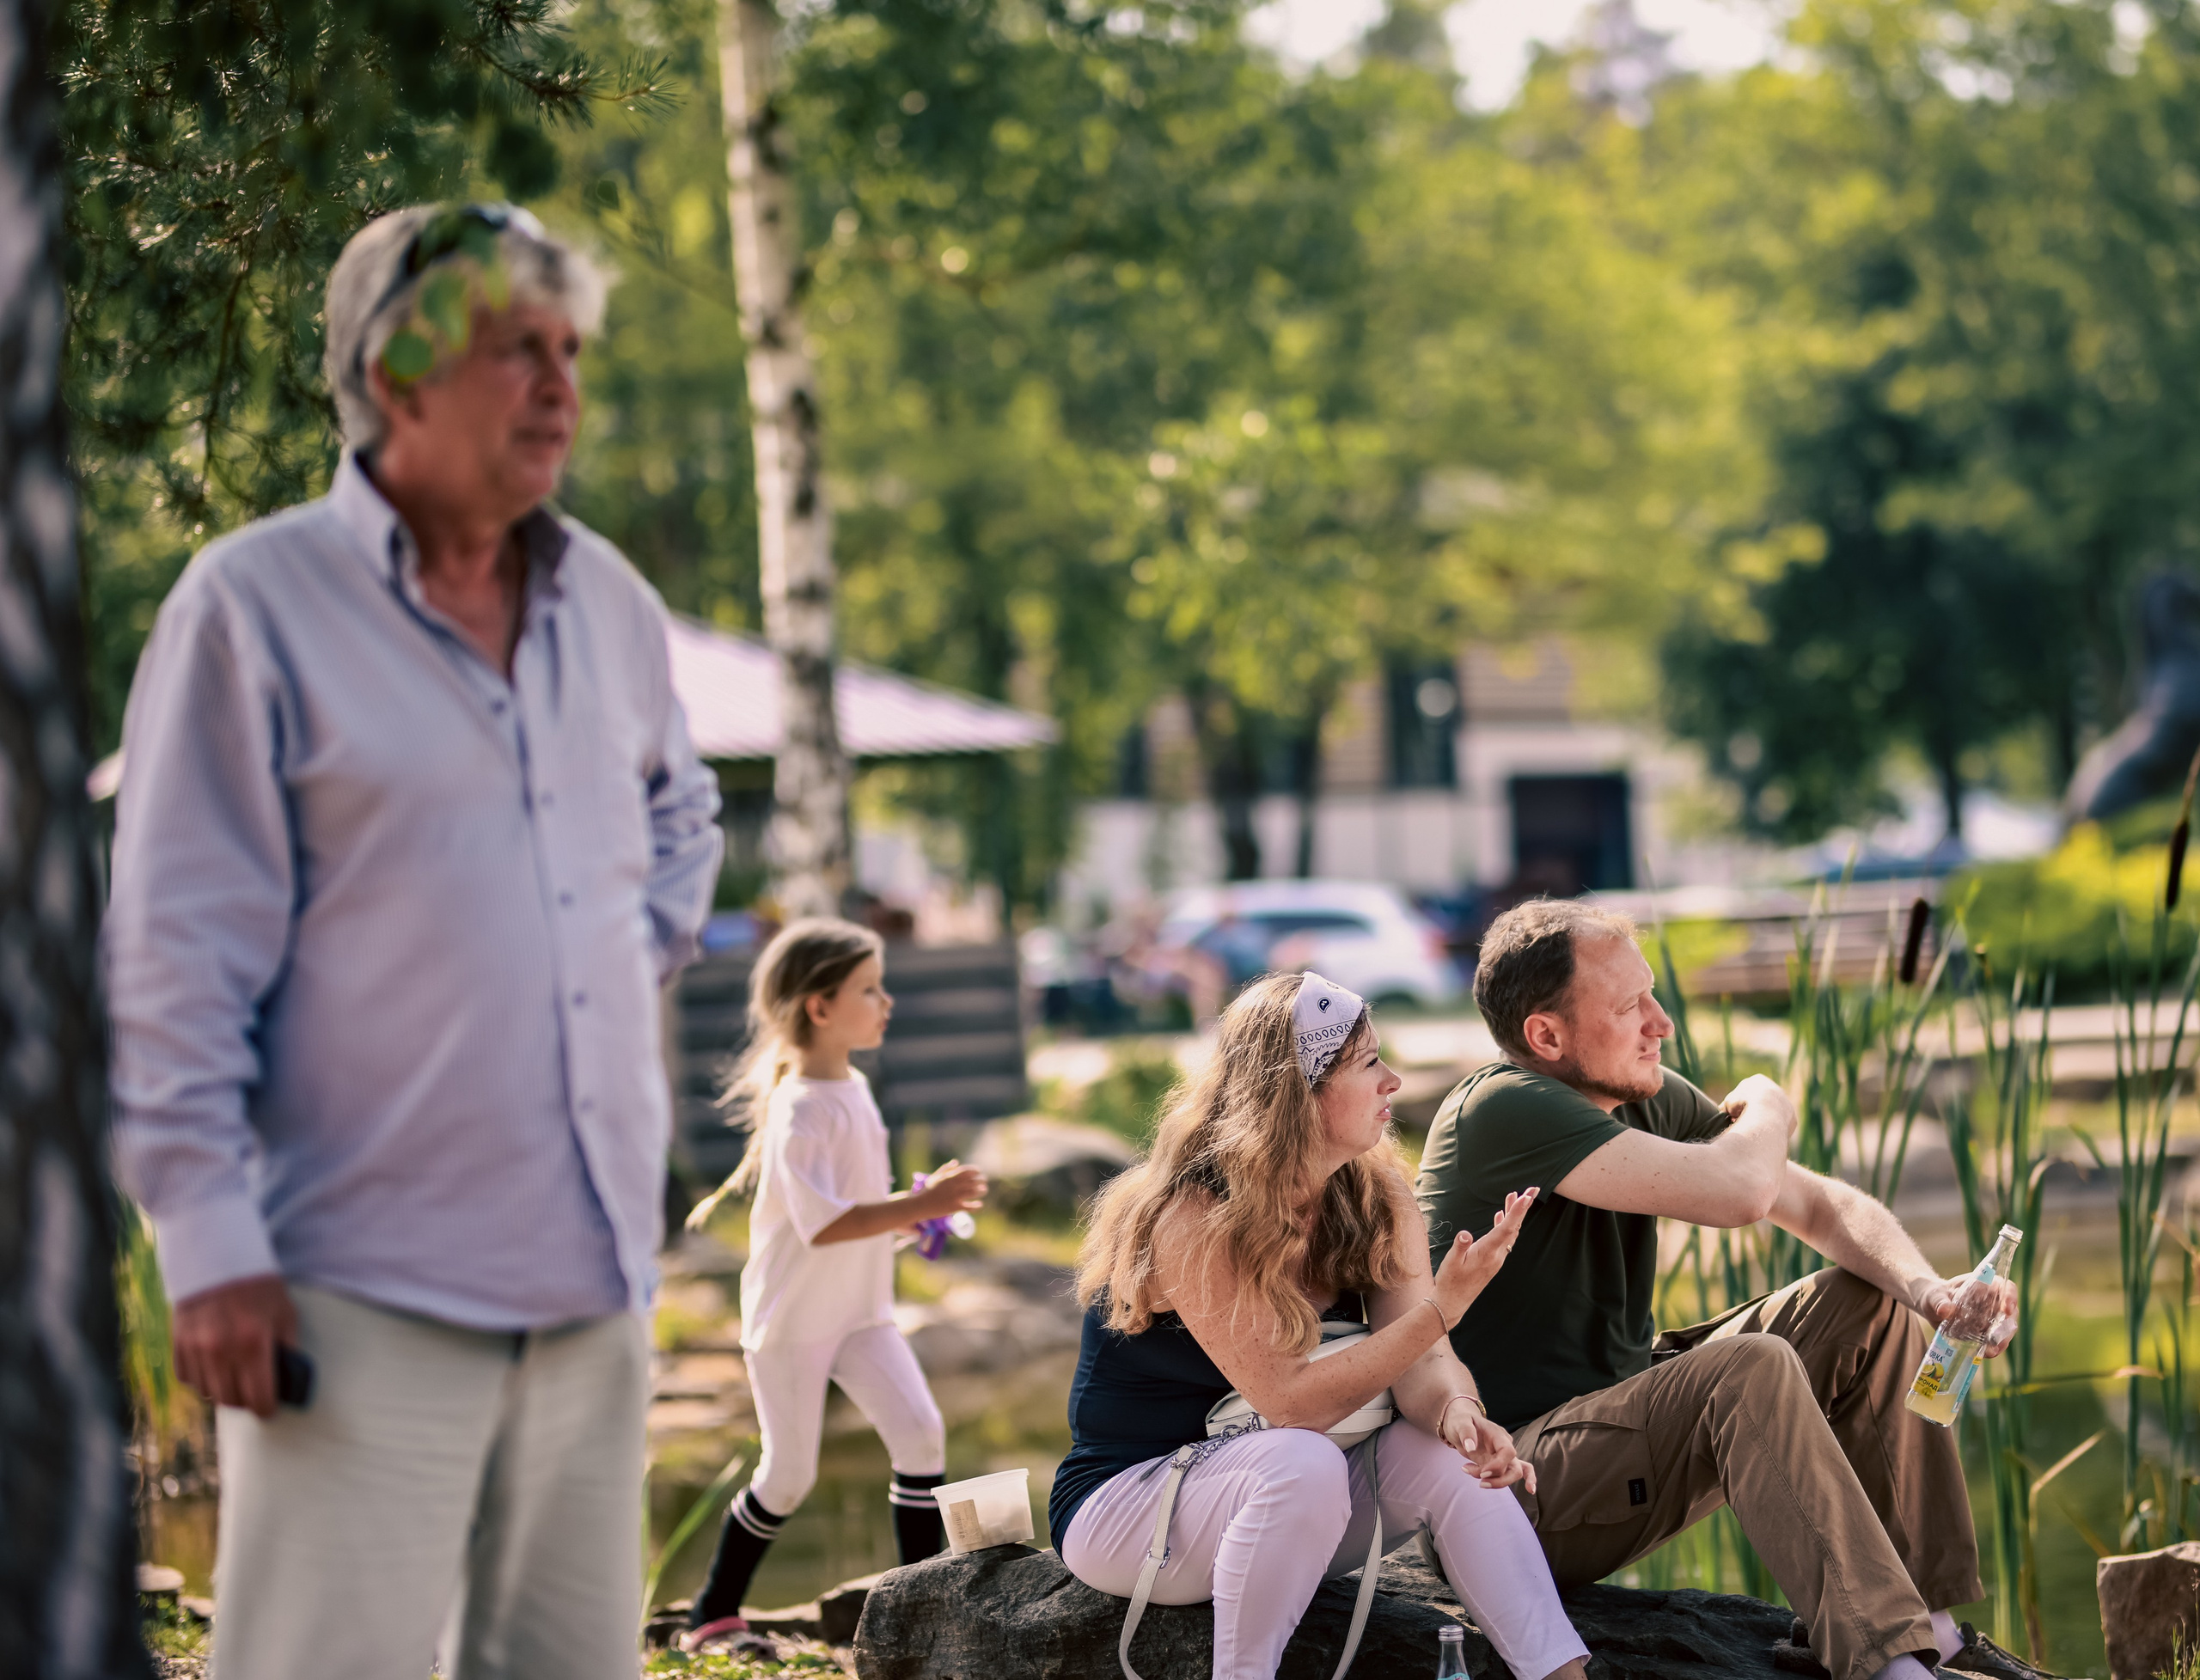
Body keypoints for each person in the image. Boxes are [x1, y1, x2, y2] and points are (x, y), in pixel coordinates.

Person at [106, 204, 724, 1680]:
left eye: (570, 350)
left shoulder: (611, 606)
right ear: (397, 377)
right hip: (351, 1293)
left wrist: (605, 951)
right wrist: (207, 1249)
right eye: (520, 349)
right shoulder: (253, 609)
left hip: (591, 1286)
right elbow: (167, 958)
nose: (563, 387)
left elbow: (683, 808)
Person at [1415, 898, 2037, 1680]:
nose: (1660, 1021)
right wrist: (1769, 1098)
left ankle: (1930, 1627)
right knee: (1749, 1365)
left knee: (1867, 1303)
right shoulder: (1503, 1107)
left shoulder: (1633, 1091)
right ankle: (1887, 1667)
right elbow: (1741, 1191)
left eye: (1652, 993)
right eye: (1629, 1005)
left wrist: (1928, 1292)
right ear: (1546, 1035)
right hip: (1508, 1489)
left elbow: (1816, 1204)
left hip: (1608, 1428)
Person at [1054, 969, 1592, 1680]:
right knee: (1302, 1459)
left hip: (1285, 1496)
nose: (1393, 1080)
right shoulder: (1193, 1211)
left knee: (1452, 1463)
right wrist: (1443, 1309)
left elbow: (1424, 1364)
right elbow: (1292, 1403)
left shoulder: (1374, 1189)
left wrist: (1463, 1414)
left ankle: (1560, 1675)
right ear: (1299, 1094)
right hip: (1132, 1502)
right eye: (1369, 1063)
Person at [682, 919, 990, 1650]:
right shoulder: (800, 1108)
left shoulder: (851, 1086)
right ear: (820, 1006)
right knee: (787, 1476)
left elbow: (857, 1206)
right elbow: (822, 1223)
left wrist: (910, 1222)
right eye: (869, 988)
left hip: (860, 1313)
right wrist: (921, 1204)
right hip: (792, 1320)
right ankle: (709, 1615)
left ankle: (920, 1613)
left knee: (920, 1434)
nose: (887, 1001)